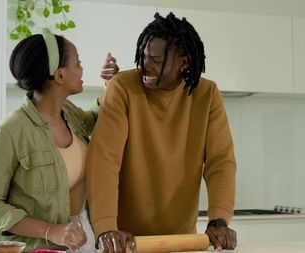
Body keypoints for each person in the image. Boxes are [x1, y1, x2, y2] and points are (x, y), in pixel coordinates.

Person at [85, 12, 237, 252]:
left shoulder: (207, 95)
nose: (145, 64)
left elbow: (221, 162)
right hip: (126, 243)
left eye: (156, 59)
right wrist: (105, 228)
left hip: (181, 242)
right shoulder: (123, 88)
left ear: (183, 62)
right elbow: (103, 159)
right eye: (144, 56)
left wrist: (218, 220)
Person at [0, 28, 119, 253]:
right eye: (77, 64)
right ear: (60, 75)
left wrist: (111, 85)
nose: (82, 70)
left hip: (85, 241)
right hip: (40, 248)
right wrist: (51, 230)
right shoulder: (10, 132)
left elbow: (94, 118)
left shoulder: (68, 113)